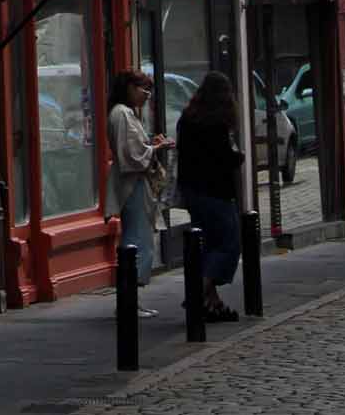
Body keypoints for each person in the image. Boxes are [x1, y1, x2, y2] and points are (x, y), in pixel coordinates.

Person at [174, 70, 245, 321]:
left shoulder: (187, 118)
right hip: (216, 191)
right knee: (228, 243)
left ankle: (211, 303)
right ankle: (197, 291)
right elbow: (224, 158)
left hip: (193, 192)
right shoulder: (217, 123)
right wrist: (238, 158)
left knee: (207, 244)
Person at [105, 69, 172, 314]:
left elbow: (133, 148)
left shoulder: (125, 113)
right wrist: (156, 148)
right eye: (144, 90)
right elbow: (131, 155)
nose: (147, 96)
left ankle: (130, 301)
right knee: (137, 241)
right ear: (130, 88)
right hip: (133, 185)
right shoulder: (122, 114)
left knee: (138, 239)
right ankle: (127, 303)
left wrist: (151, 146)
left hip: (134, 185)